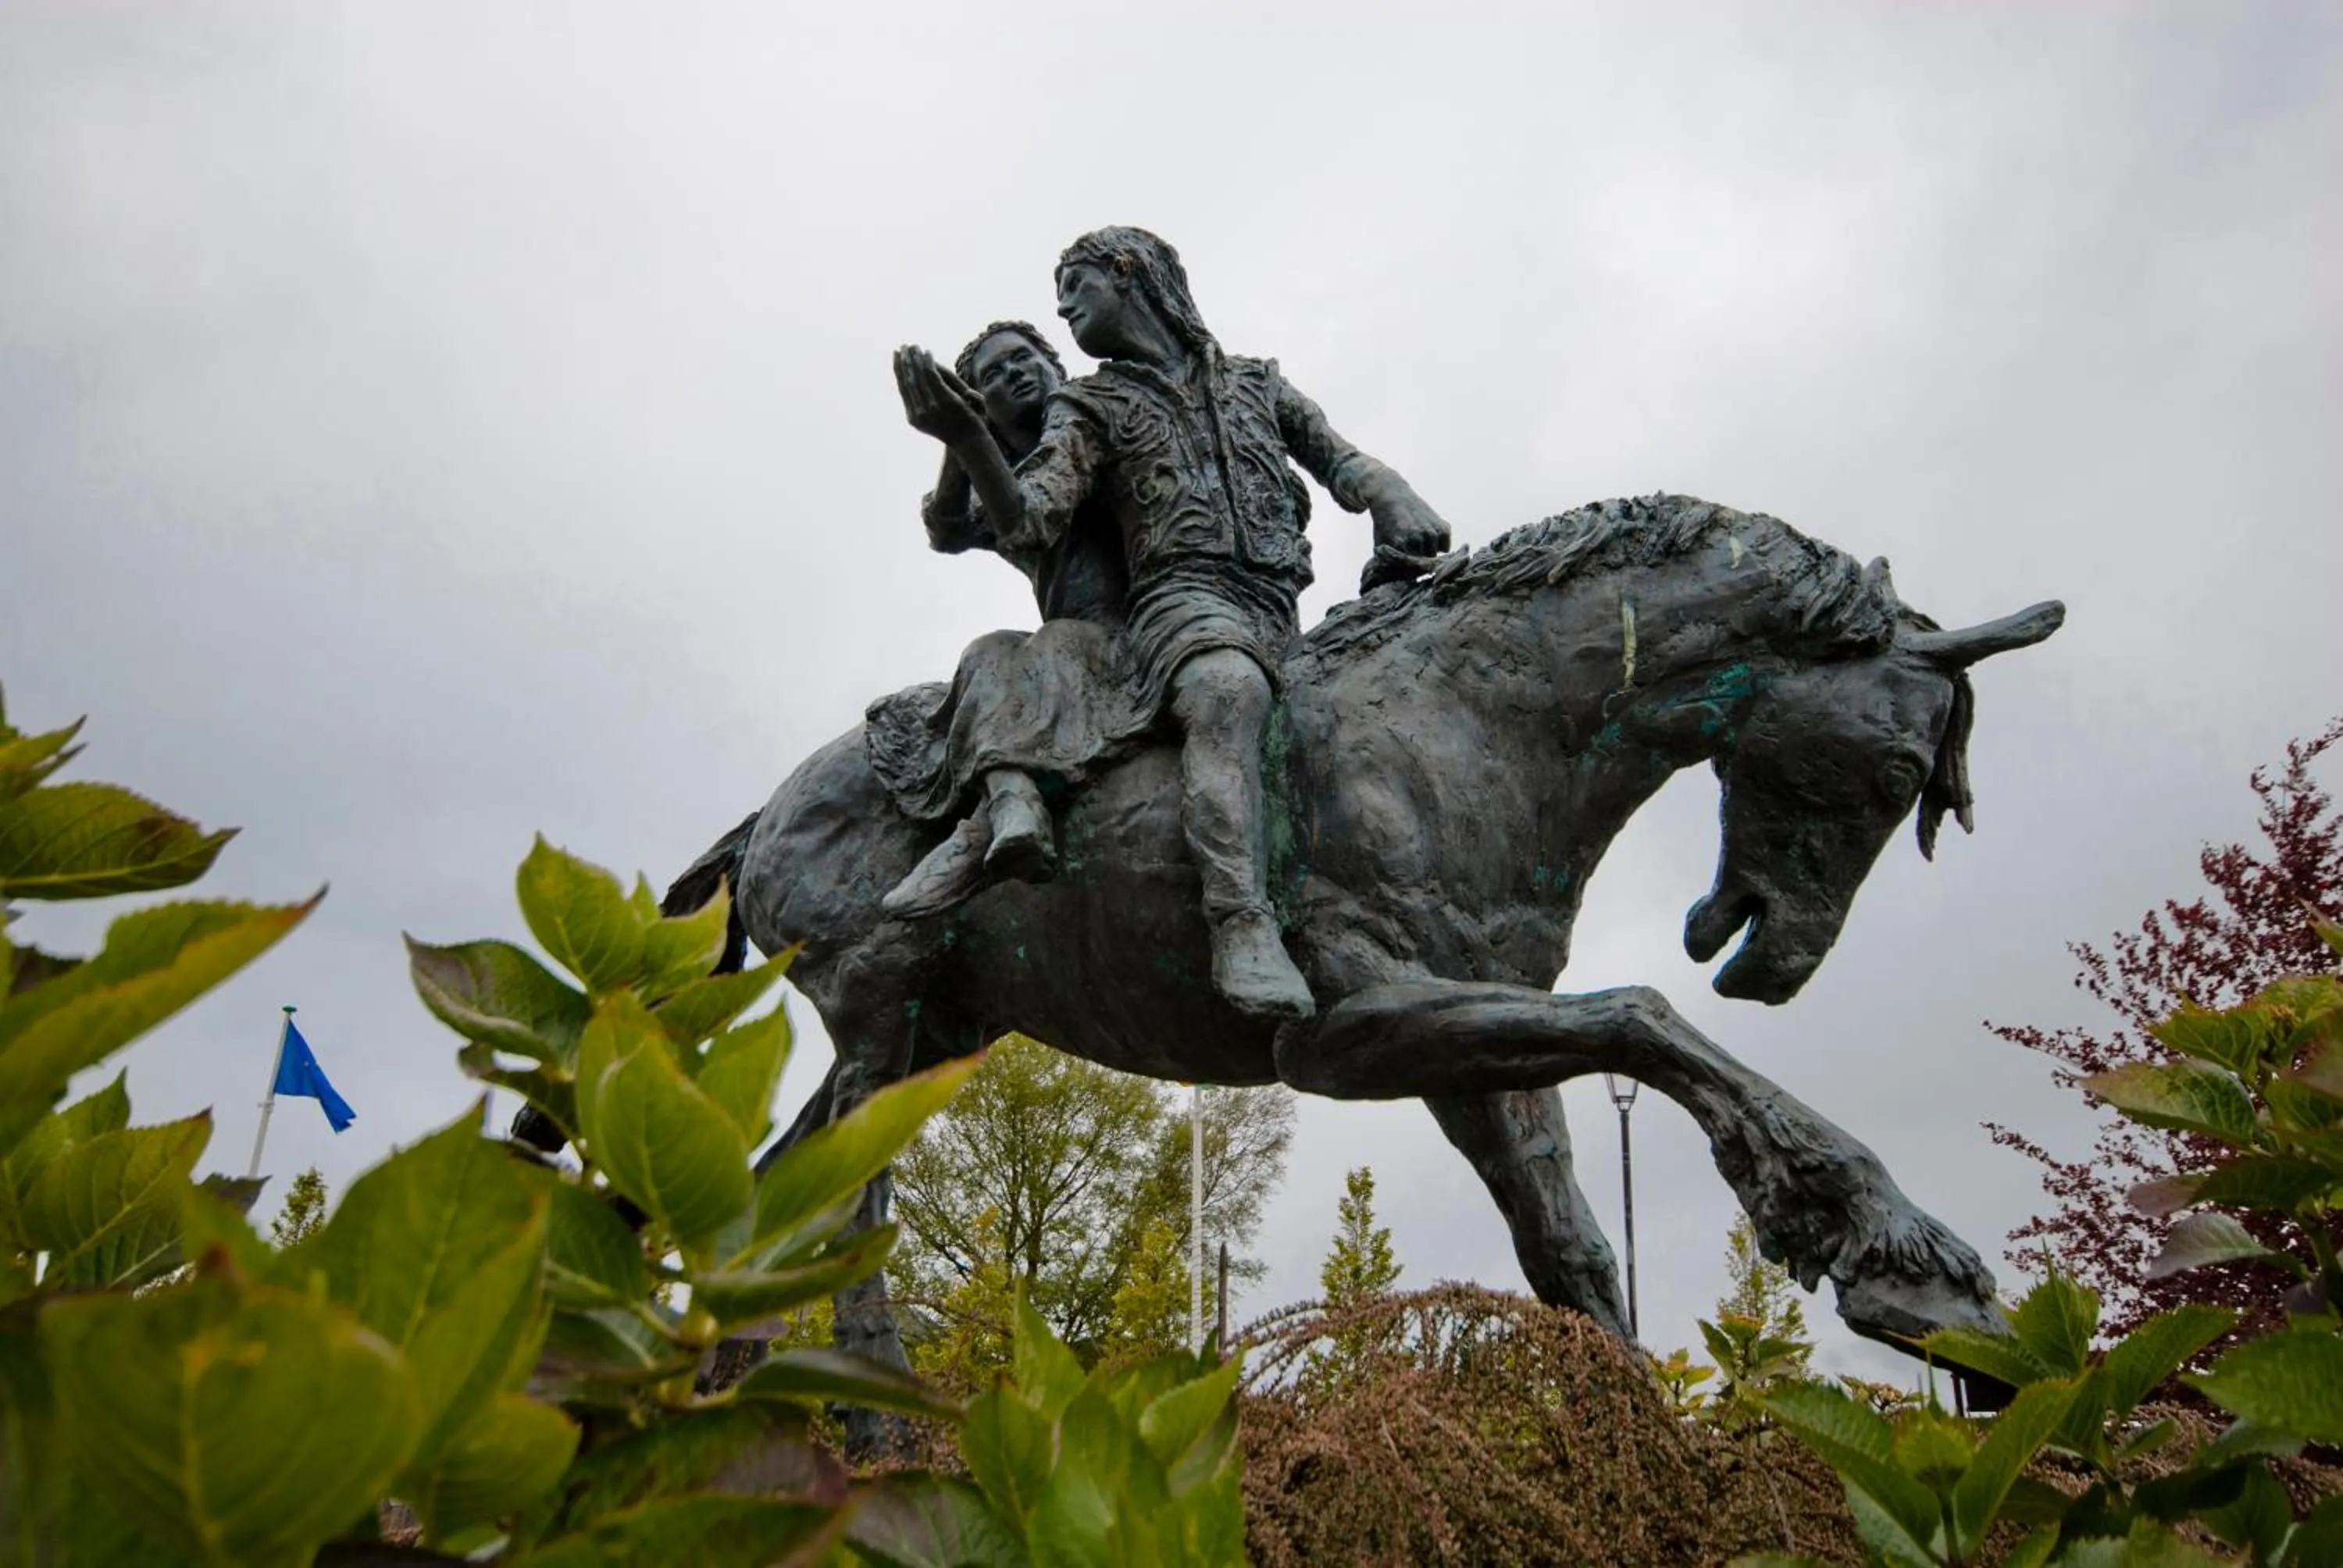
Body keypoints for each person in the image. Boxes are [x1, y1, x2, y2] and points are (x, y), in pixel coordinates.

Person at [893, 227, 1451, 1018]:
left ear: (1131, 277)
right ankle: (1240, 922)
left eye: (1075, 287)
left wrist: (1390, 492)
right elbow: (1031, 518)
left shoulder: (1257, 382)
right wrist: (965, 438)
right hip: (1174, 603)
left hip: (1276, 607)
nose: (1061, 306)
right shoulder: (1090, 404)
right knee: (1224, 689)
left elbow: (1336, 454)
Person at [870, 321, 1143, 919]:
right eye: (992, 376)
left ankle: (984, 829)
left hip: (1140, 628)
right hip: (1071, 639)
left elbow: (1029, 517)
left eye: (1023, 359)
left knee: (1056, 645)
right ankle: (1011, 805)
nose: (1013, 373)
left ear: (1055, 364)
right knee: (986, 651)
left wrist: (969, 433)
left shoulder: (1092, 432)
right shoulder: (1002, 477)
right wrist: (961, 439)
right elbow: (945, 530)